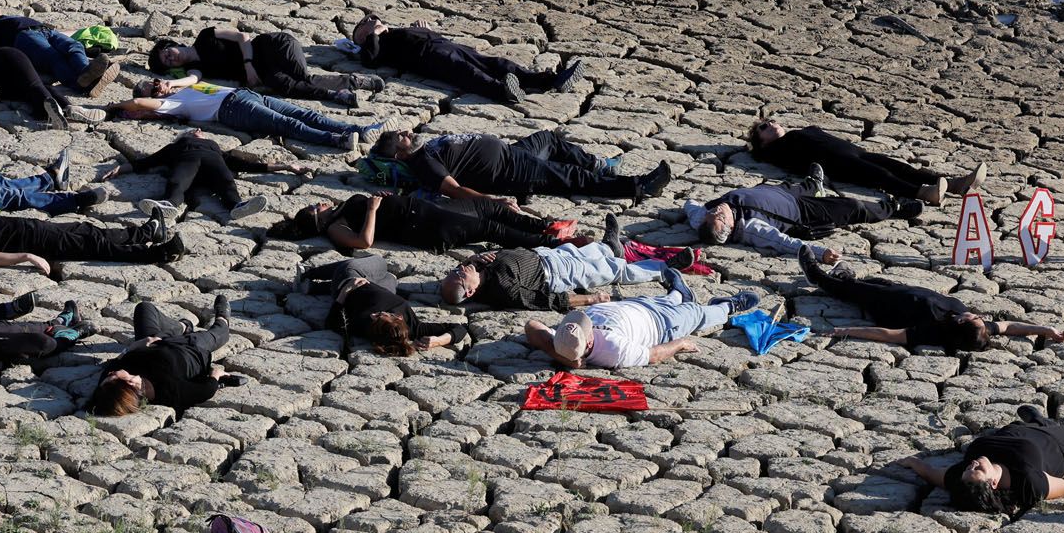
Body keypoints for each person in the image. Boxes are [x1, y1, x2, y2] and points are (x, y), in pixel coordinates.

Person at [797, 249, 1064, 352]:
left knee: (845, 290)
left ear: (961, 322)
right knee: (863, 283)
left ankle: (817, 276)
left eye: (972, 317)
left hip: (882, 304)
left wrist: (845, 331)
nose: (975, 314)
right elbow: (1009, 327)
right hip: (898, 290)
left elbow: (889, 335)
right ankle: (846, 277)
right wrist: (1045, 330)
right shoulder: (981, 329)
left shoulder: (933, 331)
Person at [897, 407, 1064, 518]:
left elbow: (932, 474)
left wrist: (914, 463)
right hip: (1060, 445)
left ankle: (1039, 420)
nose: (972, 465)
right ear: (993, 483)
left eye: (969, 469)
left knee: (1031, 422)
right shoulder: (1029, 484)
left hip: (1016, 430)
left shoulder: (963, 478)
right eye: (977, 470)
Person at [519, 269, 758, 369]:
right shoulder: (613, 349)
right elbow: (652, 355)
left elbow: (532, 326)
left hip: (637, 307)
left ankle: (677, 294)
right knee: (699, 314)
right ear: (589, 342)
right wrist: (680, 344)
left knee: (667, 299)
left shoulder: (564, 339)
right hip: (663, 325)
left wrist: (559, 353)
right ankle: (728, 306)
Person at [374, 129, 668, 205]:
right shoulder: (424, 163)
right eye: (403, 138)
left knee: (547, 140)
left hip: (511, 154)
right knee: (571, 178)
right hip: (511, 171)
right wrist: (491, 200)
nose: (409, 133)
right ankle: (638, 187)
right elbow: (455, 190)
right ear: (399, 155)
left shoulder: (425, 149)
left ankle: (601, 166)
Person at [351, 12, 580, 107]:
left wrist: (428, 31)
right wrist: (374, 34)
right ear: (360, 36)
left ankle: (548, 81)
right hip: (428, 57)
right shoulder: (376, 44)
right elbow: (369, 61)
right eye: (367, 21)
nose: (373, 19)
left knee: (499, 64)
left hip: (445, 45)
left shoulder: (393, 33)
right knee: (467, 73)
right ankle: (503, 92)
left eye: (373, 18)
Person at [747, 118, 987, 206]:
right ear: (762, 141)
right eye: (764, 127)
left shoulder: (798, 132)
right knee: (881, 177)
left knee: (901, 167)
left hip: (855, 152)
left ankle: (956, 184)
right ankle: (923, 193)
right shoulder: (774, 151)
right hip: (836, 164)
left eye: (771, 121)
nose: (772, 124)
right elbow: (759, 155)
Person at [118, 77, 375, 151]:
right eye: (154, 87)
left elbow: (194, 75)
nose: (159, 84)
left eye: (156, 81)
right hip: (233, 109)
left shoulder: (184, 87)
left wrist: (171, 83)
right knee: (287, 124)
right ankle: (336, 140)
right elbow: (139, 101)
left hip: (247, 95)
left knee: (307, 113)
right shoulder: (172, 106)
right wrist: (114, 107)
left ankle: (359, 130)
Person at [99, 133, 305, 223]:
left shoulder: (215, 148)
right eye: (195, 131)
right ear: (186, 136)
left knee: (226, 181)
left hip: (213, 163)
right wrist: (120, 169)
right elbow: (147, 161)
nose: (199, 131)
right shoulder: (177, 146)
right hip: (187, 161)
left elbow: (247, 165)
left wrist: (286, 166)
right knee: (177, 181)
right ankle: (169, 205)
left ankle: (236, 206)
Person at [149, 27, 380, 106]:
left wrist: (248, 65)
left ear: (173, 44)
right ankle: (340, 90)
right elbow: (192, 80)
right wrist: (171, 83)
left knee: (299, 74)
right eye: (167, 63)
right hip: (267, 72)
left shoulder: (205, 36)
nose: (171, 58)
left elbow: (242, 36)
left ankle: (350, 84)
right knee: (284, 85)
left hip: (272, 46)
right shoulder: (198, 68)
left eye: (168, 53)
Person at [272, 193, 571, 253]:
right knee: (488, 228)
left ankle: (543, 227)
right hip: (423, 227)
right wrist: (374, 208)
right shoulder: (335, 228)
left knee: (488, 206)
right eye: (314, 208)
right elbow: (365, 241)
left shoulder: (339, 211)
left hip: (424, 209)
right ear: (317, 219)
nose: (318, 203)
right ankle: (552, 244)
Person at [688, 182, 918, 261]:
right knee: (853, 208)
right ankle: (894, 209)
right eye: (719, 217)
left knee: (800, 186)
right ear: (729, 228)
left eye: (713, 214)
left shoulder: (701, 216)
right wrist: (820, 253)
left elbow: (689, 205)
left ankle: (813, 184)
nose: (717, 210)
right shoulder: (752, 228)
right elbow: (784, 242)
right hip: (802, 211)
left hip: (777, 192)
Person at [0, 213, 181, 273]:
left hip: (28, 227)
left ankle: (147, 233)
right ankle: (154, 253)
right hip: (29, 239)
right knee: (92, 244)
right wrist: (26, 256)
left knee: (87, 232)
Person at [87, 299, 236, 417]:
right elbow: (206, 390)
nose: (109, 374)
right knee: (220, 333)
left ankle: (181, 327)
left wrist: (134, 347)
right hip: (192, 348)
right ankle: (222, 318)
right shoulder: (169, 391)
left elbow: (114, 364)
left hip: (154, 341)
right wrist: (215, 375)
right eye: (112, 377)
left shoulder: (108, 386)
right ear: (130, 384)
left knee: (144, 308)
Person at [441, 234, 665, 310]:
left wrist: (473, 259)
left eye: (456, 268)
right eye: (460, 274)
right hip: (556, 274)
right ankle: (662, 268)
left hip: (546, 254)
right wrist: (591, 298)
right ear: (470, 292)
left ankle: (610, 246)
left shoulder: (478, 266)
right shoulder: (502, 289)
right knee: (610, 271)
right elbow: (547, 300)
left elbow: (466, 268)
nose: (461, 268)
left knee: (589, 251)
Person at [296, 257, 465, 356]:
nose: (373, 316)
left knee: (374, 262)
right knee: (391, 278)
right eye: (379, 315)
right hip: (383, 288)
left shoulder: (364, 325)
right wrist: (439, 340)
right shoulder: (414, 327)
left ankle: (308, 274)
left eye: (374, 320)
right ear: (398, 318)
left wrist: (344, 293)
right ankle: (315, 288)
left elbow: (331, 323)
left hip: (348, 283)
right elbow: (459, 329)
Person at [0, 0, 120, 97]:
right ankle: (80, 85)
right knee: (52, 57)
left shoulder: (11, 18)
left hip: (46, 31)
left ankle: (86, 73)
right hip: (24, 38)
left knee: (75, 45)